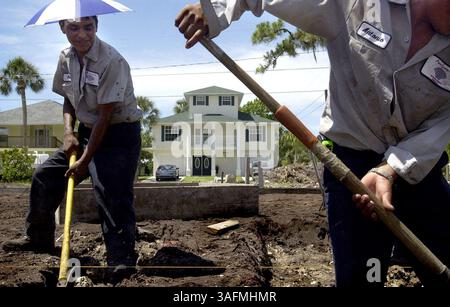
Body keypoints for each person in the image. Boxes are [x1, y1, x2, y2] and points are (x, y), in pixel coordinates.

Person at [175, 0, 450, 287]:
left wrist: (388, 170)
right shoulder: (356, 5)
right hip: (351, 171)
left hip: (414, 166)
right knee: (365, 276)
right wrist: (214, 11)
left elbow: (442, 123)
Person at [2, 16, 142, 280]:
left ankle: (121, 258)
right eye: (74, 28)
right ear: (62, 28)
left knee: (111, 191)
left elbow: (105, 116)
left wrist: (84, 161)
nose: (82, 35)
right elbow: (68, 99)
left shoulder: (112, 61)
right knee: (45, 176)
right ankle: (39, 239)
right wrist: (68, 133)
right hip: (88, 130)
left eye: (88, 27)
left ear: (97, 26)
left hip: (119, 133)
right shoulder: (65, 57)